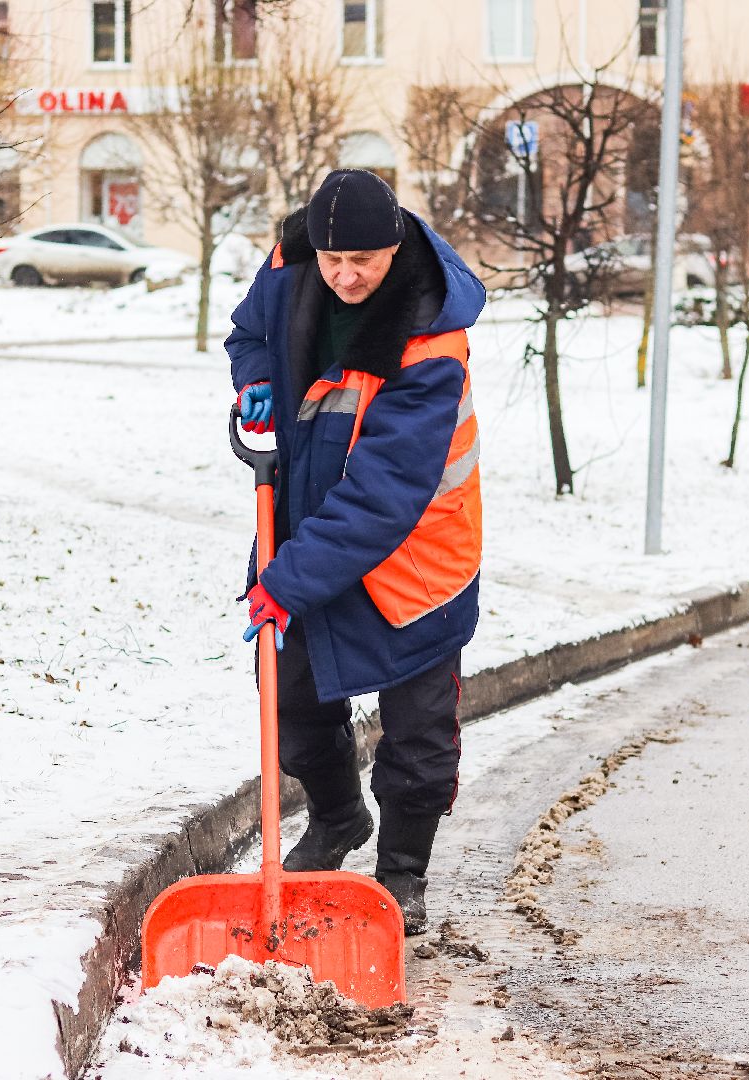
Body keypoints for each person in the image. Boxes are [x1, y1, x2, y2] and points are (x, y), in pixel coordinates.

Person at [225, 169, 485, 934]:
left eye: (362, 262)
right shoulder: (290, 266)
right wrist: (256, 378)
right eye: (333, 260)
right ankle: (337, 818)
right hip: (310, 528)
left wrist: (288, 582)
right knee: (290, 700)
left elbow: (382, 497)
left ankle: (402, 874)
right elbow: (249, 333)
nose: (345, 276)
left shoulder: (431, 338)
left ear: (393, 247)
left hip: (416, 562)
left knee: (418, 736)